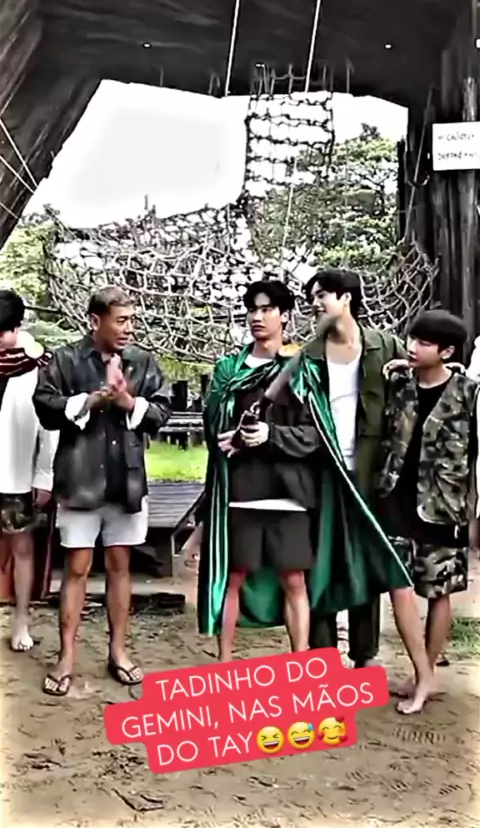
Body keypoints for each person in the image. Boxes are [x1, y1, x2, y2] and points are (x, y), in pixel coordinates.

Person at [197, 278, 415, 668]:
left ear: (285, 315)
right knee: (236, 579)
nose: (257, 317)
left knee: (306, 577)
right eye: (252, 309)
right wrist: (233, 435)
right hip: (243, 490)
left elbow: (317, 432)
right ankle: (231, 664)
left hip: (301, 490)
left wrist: (272, 436)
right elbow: (213, 425)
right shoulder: (231, 368)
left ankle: (327, 661)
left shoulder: (306, 367)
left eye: (267, 309)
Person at [33, 286, 171, 696]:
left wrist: (128, 402)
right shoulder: (65, 360)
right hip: (79, 480)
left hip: (126, 480)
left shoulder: (143, 362)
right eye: (121, 320)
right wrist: (91, 400)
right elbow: (45, 406)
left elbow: (161, 411)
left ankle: (118, 651)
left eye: (132, 320)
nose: (129, 329)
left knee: (119, 566)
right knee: (76, 568)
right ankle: (66, 657)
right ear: (96, 321)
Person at [377, 308, 479, 712]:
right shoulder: (399, 385)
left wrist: (475, 514)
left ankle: (426, 675)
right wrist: (406, 365)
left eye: (423, 342)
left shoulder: (470, 394)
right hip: (396, 499)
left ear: (447, 351)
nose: (412, 347)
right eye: (411, 339)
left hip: (445, 506)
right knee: (398, 585)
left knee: (439, 592)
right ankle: (422, 674)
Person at [303, 269, 406, 668]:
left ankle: (364, 654)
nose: (316, 304)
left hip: (368, 472)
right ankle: (323, 654)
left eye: (322, 295)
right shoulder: (308, 355)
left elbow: (407, 406)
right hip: (322, 471)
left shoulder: (385, 346)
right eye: (313, 297)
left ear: (347, 297)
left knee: (363, 560)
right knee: (321, 560)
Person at [0, 290, 58, 651]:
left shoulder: (38, 366)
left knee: (21, 548)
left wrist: (44, 476)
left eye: (2, 331)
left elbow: (50, 429)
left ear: (17, 327)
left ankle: (21, 619)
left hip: (15, 474)